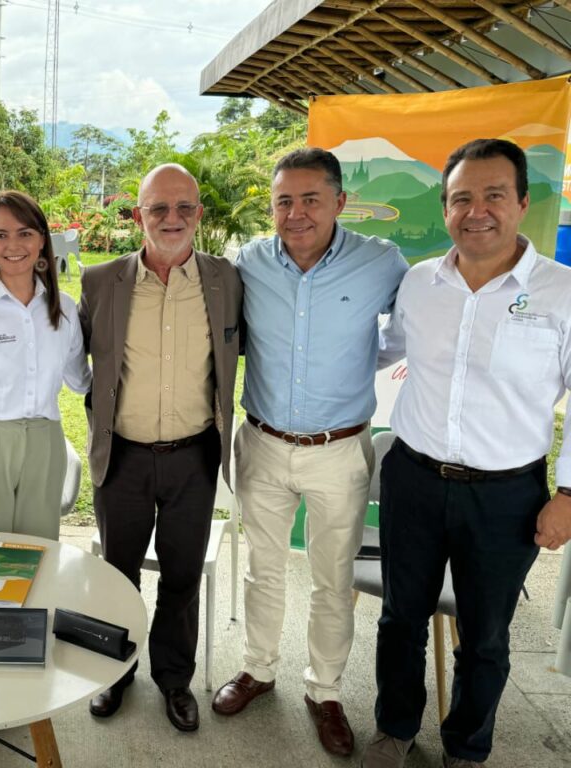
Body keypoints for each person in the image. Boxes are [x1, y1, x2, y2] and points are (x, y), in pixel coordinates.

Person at [362, 138, 571, 768]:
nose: (476, 210)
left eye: (492, 196)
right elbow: (384, 350)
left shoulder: (561, 292)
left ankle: (467, 747)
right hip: (414, 477)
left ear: (522, 203)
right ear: (446, 206)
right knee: (400, 618)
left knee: (484, 637)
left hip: (507, 494)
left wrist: (568, 495)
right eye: (461, 198)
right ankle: (394, 728)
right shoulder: (420, 282)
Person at [212, 147, 408, 757]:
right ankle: (258, 668)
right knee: (263, 568)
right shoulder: (248, 261)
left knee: (331, 580)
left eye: (310, 199)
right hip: (263, 443)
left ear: (340, 202)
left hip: (339, 449)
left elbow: (401, 339)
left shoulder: (382, 263)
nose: (295, 213)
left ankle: (324, 690)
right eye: (284, 201)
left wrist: (346, 370)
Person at [78, 163, 242, 731]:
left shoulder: (226, 281)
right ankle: (115, 675)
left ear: (199, 213)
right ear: (137, 215)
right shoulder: (101, 282)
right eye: (158, 208)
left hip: (194, 457)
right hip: (122, 457)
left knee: (181, 575)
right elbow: (77, 361)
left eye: (184, 208)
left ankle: (174, 678)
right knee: (118, 573)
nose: (172, 219)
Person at [0, 191, 90, 538]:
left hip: (46, 444)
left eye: (25, 233)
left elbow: (80, 380)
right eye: (0, 235)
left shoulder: (64, 309)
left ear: (41, 240)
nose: (13, 245)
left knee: (37, 558)